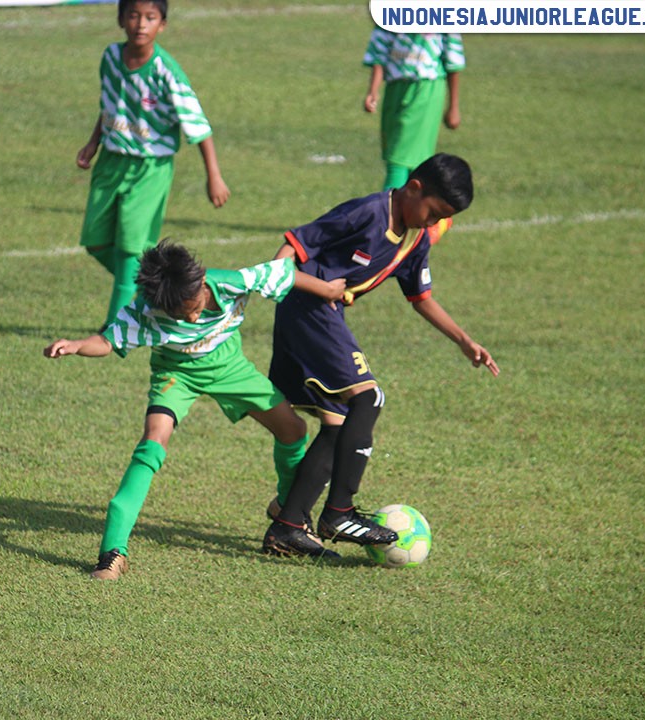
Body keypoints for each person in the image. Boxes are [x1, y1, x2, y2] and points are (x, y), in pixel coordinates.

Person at [44, 241, 346, 579]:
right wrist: (75, 346)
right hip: (176, 375)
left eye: (194, 307)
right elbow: (107, 341)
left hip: (232, 369)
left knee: (294, 430)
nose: (192, 317)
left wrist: (328, 289)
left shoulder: (231, 282)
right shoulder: (146, 310)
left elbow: (281, 273)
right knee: (153, 440)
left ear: (202, 281)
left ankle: (288, 508)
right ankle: (112, 554)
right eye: (180, 315)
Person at [261, 153, 498, 557]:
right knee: (369, 397)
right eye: (433, 212)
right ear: (415, 187)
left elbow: (420, 297)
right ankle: (339, 513)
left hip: (323, 312)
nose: (431, 223)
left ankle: (287, 526)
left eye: (441, 219)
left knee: (337, 424)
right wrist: (295, 283)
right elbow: (293, 246)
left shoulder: (416, 238)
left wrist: (463, 339)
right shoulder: (367, 213)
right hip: (308, 307)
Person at [76, 0, 230, 328]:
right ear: (120, 19)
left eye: (150, 17)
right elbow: (109, 107)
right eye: (133, 15)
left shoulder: (166, 72)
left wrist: (213, 176)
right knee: (96, 241)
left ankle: (114, 330)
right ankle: (159, 292)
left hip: (150, 168)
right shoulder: (111, 59)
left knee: (131, 248)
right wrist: (93, 143)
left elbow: (198, 125)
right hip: (110, 163)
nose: (140, 24)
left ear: (162, 25)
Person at [362, 29, 465, 194]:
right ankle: (415, 213)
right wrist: (373, 91)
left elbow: (453, 59)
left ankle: (388, 213)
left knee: (398, 159)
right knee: (408, 161)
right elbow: (379, 50)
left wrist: (453, 106)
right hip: (395, 89)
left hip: (425, 88)